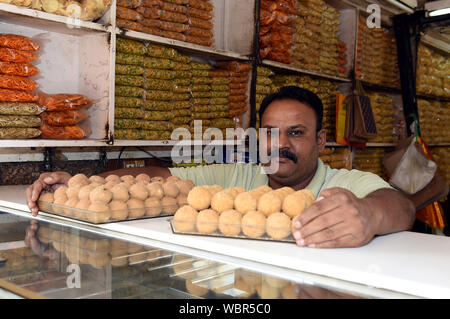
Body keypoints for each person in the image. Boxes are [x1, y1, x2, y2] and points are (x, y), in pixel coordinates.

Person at [26, 86, 415, 248]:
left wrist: (369, 213)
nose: (279, 145)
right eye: (269, 133)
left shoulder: (342, 183)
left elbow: (401, 205)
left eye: (296, 133)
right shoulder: (237, 174)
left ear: (320, 140)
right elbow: (158, 177)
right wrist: (87, 182)